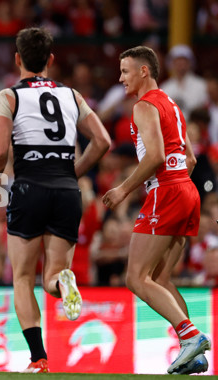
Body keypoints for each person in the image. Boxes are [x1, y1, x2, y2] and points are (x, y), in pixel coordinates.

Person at [0, 27, 110, 373]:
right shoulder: (72, 95)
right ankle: (62, 282)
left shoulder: (7, 97)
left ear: (17, 59)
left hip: (29, 187)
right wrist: (75, 172)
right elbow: (102, 141)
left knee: (23, 278)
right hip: (67, 191)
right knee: (53, 275)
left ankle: (39, 359)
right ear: (51, 60)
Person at [103, 46, 210, 375]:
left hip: (167, 190)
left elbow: (155, 157)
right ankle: (194, 355)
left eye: (125, 71)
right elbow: (189, 160)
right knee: (161, 277)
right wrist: (177, 188)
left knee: (136, 278)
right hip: (186, 189)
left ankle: (191, 337)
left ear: (144, 72)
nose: (120, 78)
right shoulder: (172, 105)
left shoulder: (144, 106)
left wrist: (124, 189)